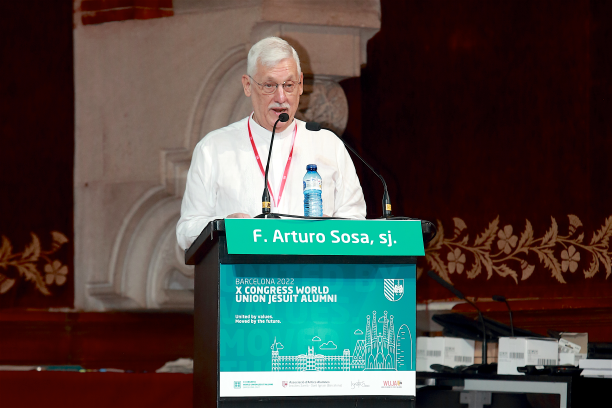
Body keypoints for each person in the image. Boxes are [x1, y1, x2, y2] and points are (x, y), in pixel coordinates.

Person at [176, 37, 366, 250]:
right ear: (248, 85)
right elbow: (186, 231)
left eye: (289, 85)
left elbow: (355, 222)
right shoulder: (213, 149)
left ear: (300, 84)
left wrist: (328, 234)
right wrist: (223, 226)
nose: (281, 97)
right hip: (242, 270)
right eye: (269, 85)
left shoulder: (329, 144)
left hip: (315, 269)